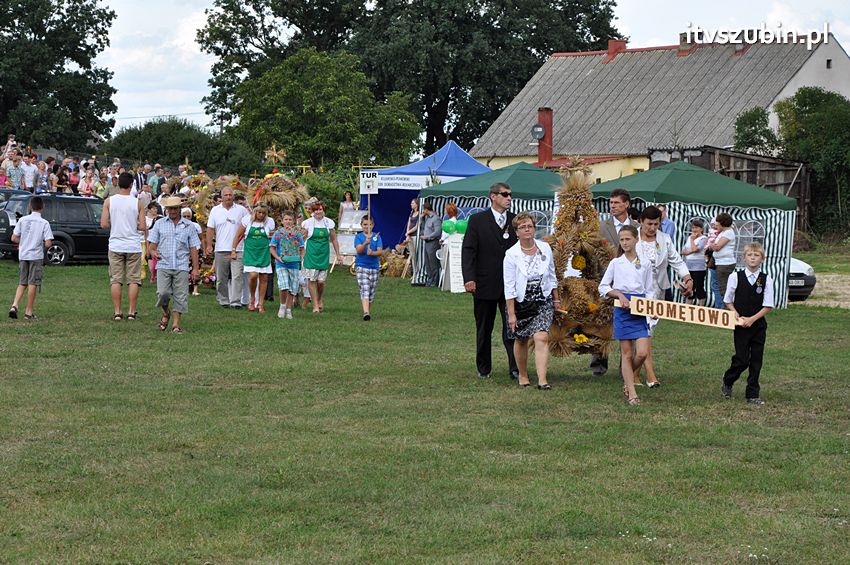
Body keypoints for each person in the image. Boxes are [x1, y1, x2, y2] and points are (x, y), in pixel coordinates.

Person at [461, 182, 519, 380]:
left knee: (512, 327)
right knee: (484, 328)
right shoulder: (477, 220)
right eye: (505, 194)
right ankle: (484, 368)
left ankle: (515, 367)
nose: (509, 198)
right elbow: (468, 250)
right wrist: (469, 278)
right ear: (493, 196)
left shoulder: (515, 221)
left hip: (510, 285)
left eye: (510, 195)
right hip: (484, 283)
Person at [634, 205, 693, 387]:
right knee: (645, 332)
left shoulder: (665, 239)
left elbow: (677, 261)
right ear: (641, 222)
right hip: (636, 292)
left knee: (647, 331)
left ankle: (633, 374)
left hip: (657, 291)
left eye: (656, 224)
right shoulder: (632, 237)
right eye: (649, 224)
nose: (652, 228)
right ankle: (650, 375)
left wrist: (688, 278)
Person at [504, 212, 559, 389]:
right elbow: (509, 286)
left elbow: (552, 275)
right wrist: (511, 314)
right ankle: (523, 375)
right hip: (521, 302)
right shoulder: (511, 254)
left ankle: (543, 380)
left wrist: (556, 299)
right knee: (521, 339)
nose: (527, 229)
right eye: (522, 227)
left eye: (530, 226)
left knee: (541, 336)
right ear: (516, 232)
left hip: (542, 299)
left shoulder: (545, 248)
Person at [599, 225, 653, 405]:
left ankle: (627, 376)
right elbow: (603, 287)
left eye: (627, 239)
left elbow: (649, 289)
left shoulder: (645, 263)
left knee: (642, 353)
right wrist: (619, 295)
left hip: (640, 308)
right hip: (622, 309)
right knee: (627, 353)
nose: (624, 243)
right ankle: (632, 392)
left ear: (636, 239)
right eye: (621, 240)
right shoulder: (616, 263)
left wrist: (651, 309)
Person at [721, 242, 773, 405]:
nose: (752, 258)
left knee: (756, 360)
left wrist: (752, 319)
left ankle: (752, 394)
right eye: (749, 255)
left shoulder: (766, 279)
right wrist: (735, 312)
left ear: (762, 259)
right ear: (744, 258)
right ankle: (728, 380)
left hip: (758, 326)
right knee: (742, 359)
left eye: (756, 255)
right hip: (740, 326)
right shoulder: (735, 277)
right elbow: (728, 300)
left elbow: (768, 306)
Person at [595, 188, 639, 377]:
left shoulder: (637, 226)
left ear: (626, 204)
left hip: (630, 282)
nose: (612, 206)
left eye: (616, 203)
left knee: (630, 323)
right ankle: (599, 363)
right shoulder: (601, 227)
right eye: (611, 203)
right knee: (601, 322)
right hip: (606, 278)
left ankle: (626, 367)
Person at [147, 196, 201, 333]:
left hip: (181, 265)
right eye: (170, 209)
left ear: (179, 209)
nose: (172, 211)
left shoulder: (189, 226)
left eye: (175, 208)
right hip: (163, 264)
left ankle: (176, 325)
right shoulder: (159, 224)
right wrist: (153, 252)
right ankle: (166, 312)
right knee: (162, 293)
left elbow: (194, 248)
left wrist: (195, 269)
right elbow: (151, 246)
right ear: (166, 209)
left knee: (180, 296)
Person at [101, 172, 146, 321]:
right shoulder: (137, 202)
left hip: (115, 244)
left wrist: (115, 223)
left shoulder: (109, 201)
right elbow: (143, 226)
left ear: (118, 184)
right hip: (133, 245)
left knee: (116, 279)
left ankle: (117, 312)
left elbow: (104, 224)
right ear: (132, 185)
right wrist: (134, 224)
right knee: (133, 279)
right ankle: (131, 312)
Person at [8, 196, 53, 321]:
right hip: (36, 256)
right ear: (42, 207)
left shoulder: (22, 220)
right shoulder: (44, 223)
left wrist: (24, 242)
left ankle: (14, 305)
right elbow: (48, 243)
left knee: (22, 282)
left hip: (23, 255)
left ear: (30, 206)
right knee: (33, 283)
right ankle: (28, 312)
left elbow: (14, 238)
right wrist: (40, 244)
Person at [205, 186, 249, 308]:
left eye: (230, 195)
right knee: (221, 278)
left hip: (238, 249)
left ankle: (236, 302)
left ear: (233, 196)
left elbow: (248, 226)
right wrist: (209, 245)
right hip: (221, 249)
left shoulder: (242, 210)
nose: (228, 197)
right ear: (222, 196)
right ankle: (223, 300)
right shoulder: (215, 210)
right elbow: (210, 229)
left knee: (237, 276)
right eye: (226, 195)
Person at [232, 205, 275, 313]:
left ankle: (260, 303)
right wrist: (233, 250)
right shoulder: (247, 220)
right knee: (253, 276)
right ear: (255, 212)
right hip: (250, 253)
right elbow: (237, 235)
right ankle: (252, 298)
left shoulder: (269, 222)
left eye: (263, 213)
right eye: (259, 212)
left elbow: (273, 236)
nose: (261, 215)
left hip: (264, 253)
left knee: (264, 278)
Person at [301, 201, 341, 313]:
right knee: (312, 280)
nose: (318, 212)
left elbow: (334, 239)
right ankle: (315, 305)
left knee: (321, 282)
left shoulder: (329, 223)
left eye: (320, 209)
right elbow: (301, 239)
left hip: (323, 255)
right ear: (312, 211)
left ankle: (319, 299)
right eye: (316, 210)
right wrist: (300, 252)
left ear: (323, 210)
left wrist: (338, 254)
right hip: (311, 255)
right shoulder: (307, 223)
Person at [270, 210, 304, 319]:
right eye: (286, 219)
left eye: (290, 219)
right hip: (282, 264)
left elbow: (302, 248)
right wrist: (277, 258)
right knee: (284, 286)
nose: (288, 221)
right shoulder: (278, 233)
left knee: (292, 288)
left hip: (294, 264)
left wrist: (300, 258)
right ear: (282, 221)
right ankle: (282, 306)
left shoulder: (297, 233)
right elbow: (272, 247)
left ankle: (289, 310)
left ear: (293, 221)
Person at [354, 215, 383, 321]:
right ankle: (366, 312)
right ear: (361, 225)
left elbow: (380, 251)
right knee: (365, 288)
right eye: (365, 224)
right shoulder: (358, 237)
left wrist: (373, 253)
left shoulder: (377, 236)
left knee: (371, 291)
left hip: (374, 267)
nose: (367, 227)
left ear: (373, 225)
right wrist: (365, 243)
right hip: (362, 266)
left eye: (369, 224)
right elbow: (359, 250)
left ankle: (367, 312)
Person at [681, 219, 708, 306]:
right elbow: (683, 251)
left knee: (699, 287)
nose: (694, 230)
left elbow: (696, 249)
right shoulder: (689, 238)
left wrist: (692, 241)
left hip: (699, 267)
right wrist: (691, 250)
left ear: (701, 229)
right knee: (689, 287)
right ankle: (689, 306)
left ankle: (701, 307)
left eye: (696, 227)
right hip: (689, 266)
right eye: (693, 228)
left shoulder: (703, 238)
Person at [711, 212, 737, 304]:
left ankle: (727, 308)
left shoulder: (728, 233)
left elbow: (717, 247)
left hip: (725, 264)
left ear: (723, 224)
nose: (716, 226)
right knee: (721, 287)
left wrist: (710, 244)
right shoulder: (724, 232)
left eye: (718, 224)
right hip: (720, 263)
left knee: (723, 288)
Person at [181, 208, 202, 295]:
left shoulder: (196, 226)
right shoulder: (178, 225)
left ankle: (195, 288)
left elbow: (201, 238)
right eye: (184, 216)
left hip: (195, 249)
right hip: (183, 250)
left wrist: (204, 249)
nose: (186, 218)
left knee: (196, 268)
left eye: (188, 216)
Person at [420, 201, 442, 287]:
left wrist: (427, 237)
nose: (423, 211)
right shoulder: (427, 218)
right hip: (427, 243)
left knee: (433, 263)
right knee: (427, 263)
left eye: (423, 210)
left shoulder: (436, 219)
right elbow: (423, 228)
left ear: (426, 209)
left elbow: (437, 232)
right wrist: (422, 219)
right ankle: (430, 280)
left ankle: (435, 281)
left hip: (433, 242)